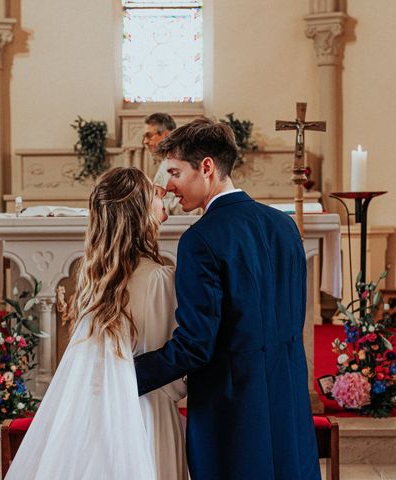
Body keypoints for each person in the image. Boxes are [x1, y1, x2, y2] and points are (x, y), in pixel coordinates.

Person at [135, 118, 321, 480]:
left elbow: (194, 346)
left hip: (233, 408)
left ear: (207, 167)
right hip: (288, 401)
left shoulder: (200, 239)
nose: (168, 185)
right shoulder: (284, 226)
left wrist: (127, 376)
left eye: (174, 171)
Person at [4, 167, 188, 480]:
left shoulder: (98, 279)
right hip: (145, 414)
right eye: (154, 194)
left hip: (99, 413)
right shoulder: (157, 278)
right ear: (140, 211)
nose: (164, 195)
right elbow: (169, 373)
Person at [144, 112, 200, 215]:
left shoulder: (183, 160)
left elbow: (193, 202)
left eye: (149, 136)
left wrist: (152, 207)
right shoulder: (165, 161)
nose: (145, 141)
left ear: (166, 134)